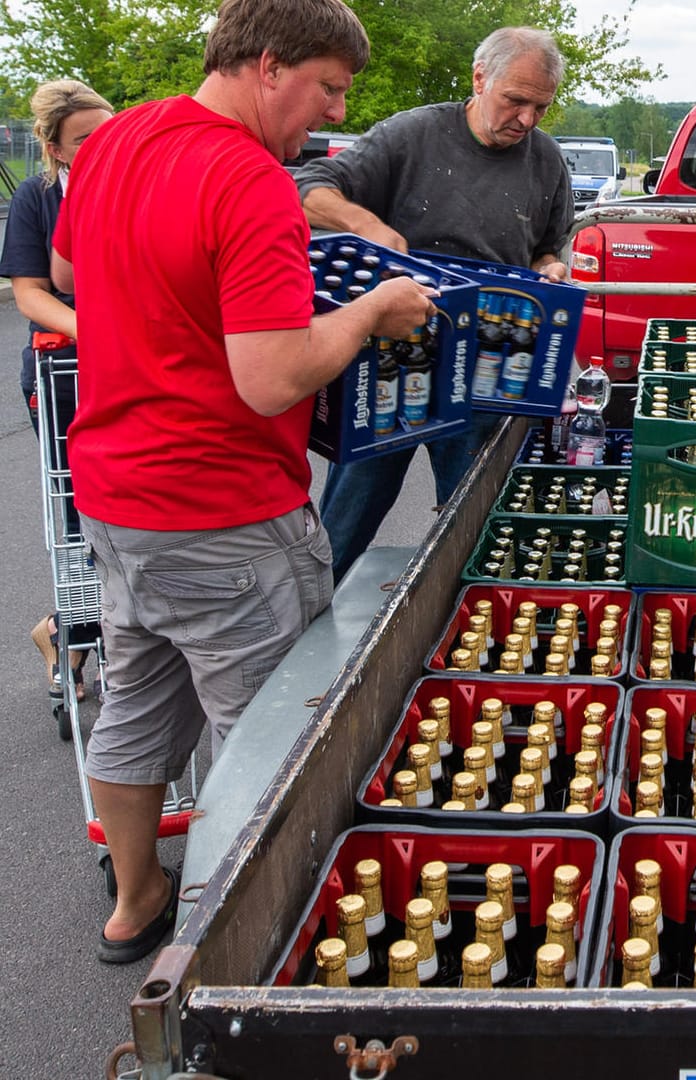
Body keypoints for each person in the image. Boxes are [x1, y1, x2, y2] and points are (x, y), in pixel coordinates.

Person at [52, 0, 438, 964]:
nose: (332, 115)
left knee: (137, 703)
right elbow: (270, 376)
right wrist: (368, 316)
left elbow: (66, 266)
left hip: (114, 492)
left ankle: (135, 903)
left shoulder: (117, 138)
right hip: (222, 509)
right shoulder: (251, 180)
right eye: (328, 90)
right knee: (273, 738)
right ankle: (242, 955)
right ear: (270, 66)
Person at [296, 26, 575, 583]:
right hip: (390, 358)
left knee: (474, 529)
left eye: (539, 106)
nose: (526, 119)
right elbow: (310, 185)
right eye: (514, 101)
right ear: (479, 79)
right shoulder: (413, 134)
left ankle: (464, 636)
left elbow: (548, 244)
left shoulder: (545, 160)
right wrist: (367, 223)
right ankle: (307, 634)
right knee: (345, 523)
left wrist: (549, 269)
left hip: (487, 365)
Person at [0, 79, 112, 701]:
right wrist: (97, 330)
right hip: (65, 369)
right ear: (54, 146)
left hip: (133, 367)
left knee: (128, 515)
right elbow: (30, 293)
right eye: (86, 140)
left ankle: (81, 630)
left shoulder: (135, 186)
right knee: (78, 518)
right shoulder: (39, 198)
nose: (102, 148)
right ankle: (71, 636)